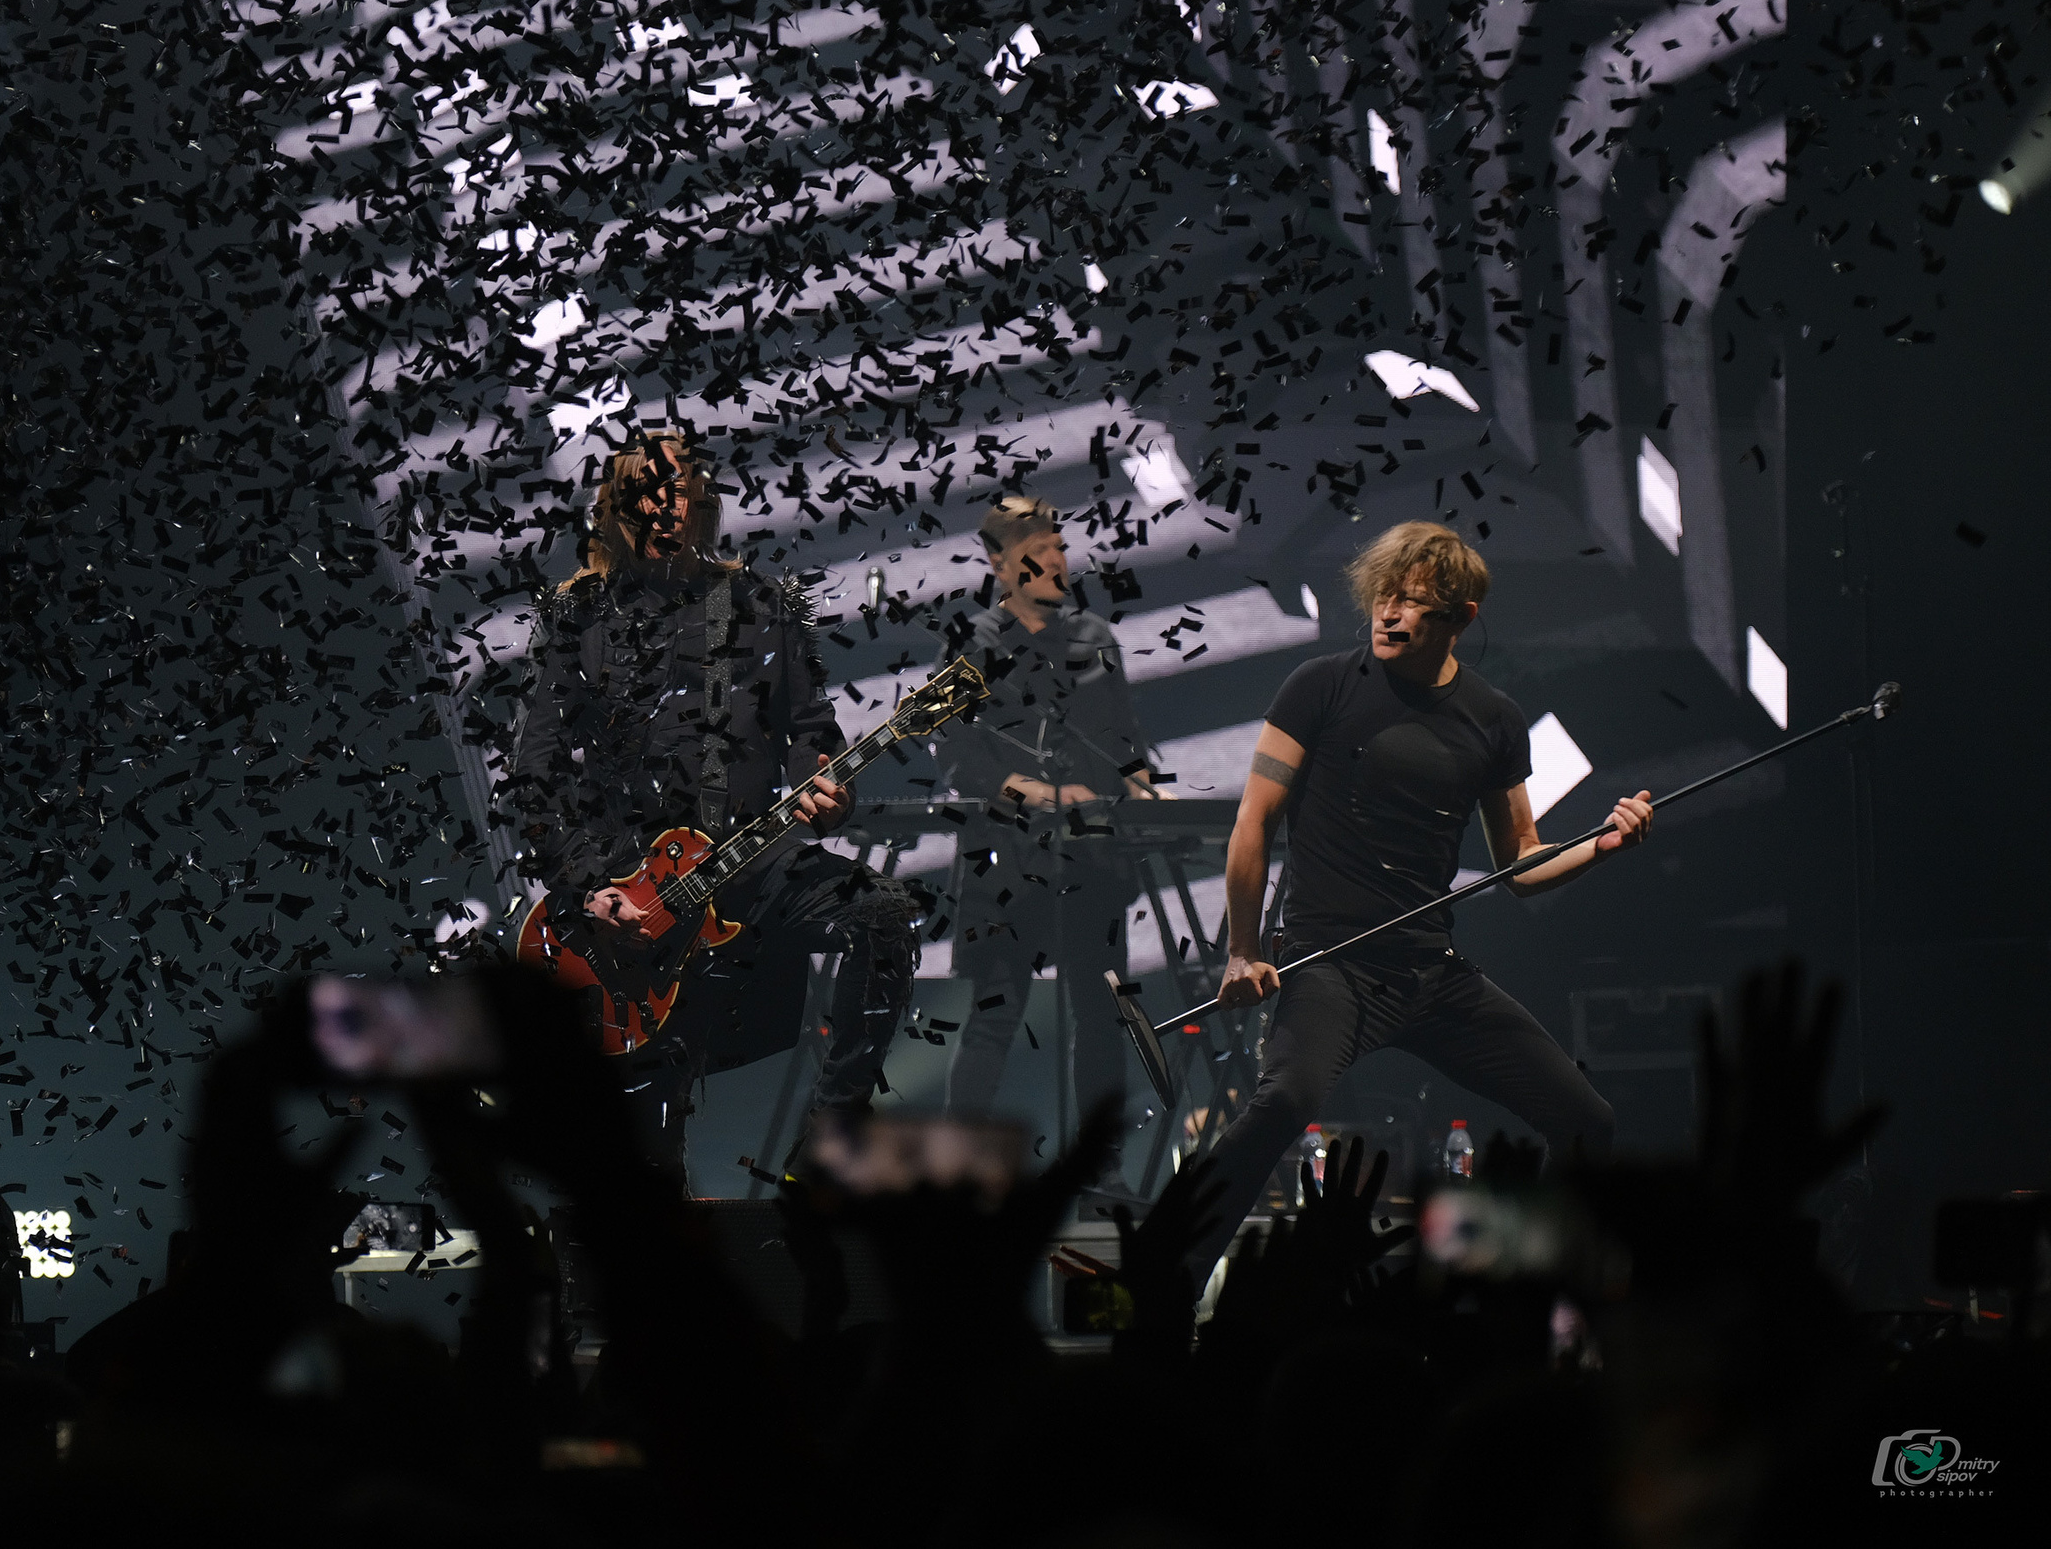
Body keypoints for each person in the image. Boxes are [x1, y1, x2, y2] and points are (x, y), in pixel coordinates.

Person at [1186, 519, 1644, 1271]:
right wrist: (1241, 949)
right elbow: (1254, 820)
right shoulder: (1322, 686)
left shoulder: (1493, 719)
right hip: (1329, 962)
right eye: (1384, 597)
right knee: (1282, 1104)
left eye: (1413, 603)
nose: (1389, 614)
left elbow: (1521, 863)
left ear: (1461, 618)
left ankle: (1538, 1285)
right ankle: (1168, 1278)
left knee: (1586, 1119)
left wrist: (1601, 845)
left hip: (1430, 972)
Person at [502, 431, 922, 1180]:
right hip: (631, 898)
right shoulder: (578, 617)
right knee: (649, 1151)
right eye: (651, 494)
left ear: (703, 503)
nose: (669, 509)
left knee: (881, 912)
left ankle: (830, 1141)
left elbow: (809, 734)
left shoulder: (760, 603)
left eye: (683, 492)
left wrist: (827, 792)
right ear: (619, 507)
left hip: (750, 863)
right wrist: (591, 888)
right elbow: (531, 775)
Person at [935, 495, 1168, 1192]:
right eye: (1037, 549)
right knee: (994, 1018)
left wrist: (1145, 787)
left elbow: (1126, 740)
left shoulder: (1095, 635)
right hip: (1008, 861)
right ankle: (958, 1171)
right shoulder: (975, 647)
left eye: (1060, 546)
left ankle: (1103, 1171)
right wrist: (1036, 794)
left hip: (1092, 855)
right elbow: (958, 758)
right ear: (999, 565)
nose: (1056, 560)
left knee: (1101, 1017)